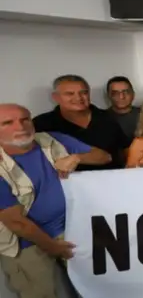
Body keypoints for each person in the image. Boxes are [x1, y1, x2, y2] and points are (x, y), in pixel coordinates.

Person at [0, 103, 110, 298]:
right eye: (8, 123)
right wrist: (52, 246)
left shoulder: (51, 139)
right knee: (46, 293)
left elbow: (104, 157)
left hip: (73, 228)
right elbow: (15, 222)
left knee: (98, 288)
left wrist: (77, 157)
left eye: (25, 119)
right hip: (27, 243)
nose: (20, 126)